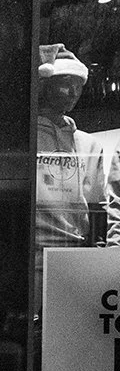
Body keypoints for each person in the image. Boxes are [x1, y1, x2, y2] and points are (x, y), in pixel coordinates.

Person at [35, 44, 119, 251]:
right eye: (65, 84)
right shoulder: (26, 139)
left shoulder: (89, 144)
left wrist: (98, 254)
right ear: (45, 85)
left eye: (79, 85)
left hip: (76, 250)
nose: (73, 92)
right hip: (32, 249)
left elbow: (97, 206)